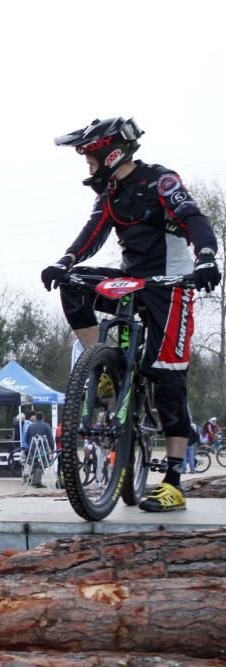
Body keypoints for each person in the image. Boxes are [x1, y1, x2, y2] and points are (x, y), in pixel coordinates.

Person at [42, 117, 222, 512]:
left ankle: (173, 481)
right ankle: (104, 370)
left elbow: (194, 219)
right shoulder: (110, 192)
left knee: (167, 377)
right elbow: (94, 232)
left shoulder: (162, 181)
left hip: (170, 285)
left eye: (91, 158)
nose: (87, 166)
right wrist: (65, 261)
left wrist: (206, 257)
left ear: (113, 153)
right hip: (133, 281)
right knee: (72, 285)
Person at [24, 411, 55, 488]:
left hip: (32, 447)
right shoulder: (46, 426)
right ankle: (37, 482)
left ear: (36, 417)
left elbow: (26, 437)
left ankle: (32, 481)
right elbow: (50, 438)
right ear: (43, 418)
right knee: (41, 464)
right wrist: (52, 448)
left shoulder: (31, 426)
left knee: (33, 464)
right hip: (43, 448)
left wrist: (30, 444)